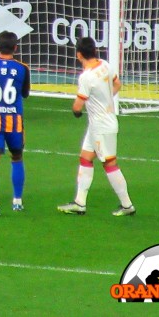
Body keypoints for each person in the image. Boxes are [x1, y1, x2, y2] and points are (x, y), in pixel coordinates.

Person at [58, 37, 136, 217]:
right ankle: (80, 203)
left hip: (101, 125)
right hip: (99, 124)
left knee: (109, 163)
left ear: (79, 55)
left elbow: (77, 106)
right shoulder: (105, 65)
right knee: (85, 158)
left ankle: (127, 205)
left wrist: (77, 112)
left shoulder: (86, 77)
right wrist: (106, 100)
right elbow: (117, 84)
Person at [0, 31, 30, 216]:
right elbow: (24, 93)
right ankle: (17, 201)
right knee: (16, 158)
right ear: (15, 47)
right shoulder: (22, 68)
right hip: (14, 122)